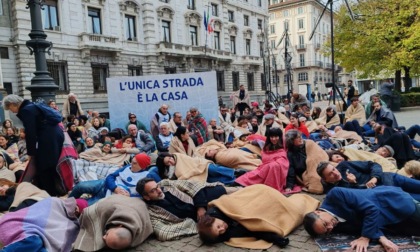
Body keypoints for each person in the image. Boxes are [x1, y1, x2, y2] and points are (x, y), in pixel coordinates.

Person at [197, 184, 319, 249]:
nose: (222, 229)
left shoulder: (219, 208)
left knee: (293, 207)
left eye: (218, 226)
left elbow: (235, 201)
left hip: (259, 193)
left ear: (213, 219)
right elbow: (253, 229)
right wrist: (275, 238)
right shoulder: (229, 231)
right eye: (220, 233)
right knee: (294, 213)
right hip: (264, 208)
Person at [303, 186, 420, 252]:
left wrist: (365, 237)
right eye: (327, 231)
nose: (330, 227)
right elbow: (362, 225)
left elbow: (371, 210)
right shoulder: (335, 227)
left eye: (325, 224)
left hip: (394, 203)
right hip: (389, 223)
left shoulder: (335, 194)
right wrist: (382, 239)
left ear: (317, 212)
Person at [3, 95, 66, 196]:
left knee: (44, 166)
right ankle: (51, 191)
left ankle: (50, 194)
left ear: (13, 104)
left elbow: (30, 133)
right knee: (49, 164)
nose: (12, 111)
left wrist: (31, 153)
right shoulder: (31, 106)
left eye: (10, 108)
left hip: (48, 137)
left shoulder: (26, 110)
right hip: (54, 134)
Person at [136, 178, 229, 241]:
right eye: (153, 191)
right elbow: (163, 232)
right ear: (147, 197)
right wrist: (193, 223)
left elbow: (191, 186)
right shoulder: (152, 211)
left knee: (223, 191)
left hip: (202, 198)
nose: (159, 190)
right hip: (204, 218)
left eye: (157, 187)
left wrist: (200, 207)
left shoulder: (166, 184)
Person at [0, 196, 83, 252]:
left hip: (43, 241)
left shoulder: (73, 225)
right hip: (24, 225)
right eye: (76, 207)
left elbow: (61, 239)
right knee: (34, 241)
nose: (75, 211)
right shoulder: (55, 202)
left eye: (78, 213)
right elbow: (37, 215)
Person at [69, 153, 156, 205]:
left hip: (109, 197)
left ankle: (68, 207)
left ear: (142, 166)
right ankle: (68, 201)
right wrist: (115, 188)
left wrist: (130, 196)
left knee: (84, 205)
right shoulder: (128, 167)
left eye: (134, 163)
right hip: (104, 185)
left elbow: (146, 195)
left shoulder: (148, 177)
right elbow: (110, 176)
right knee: (80, 186)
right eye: (132, 162)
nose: (131, 164)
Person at [74, 195, 153, 251]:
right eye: (107, 234)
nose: (103, 237)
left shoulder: (141, 233)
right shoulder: (108, 207)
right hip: (113, 199)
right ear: (119, 225)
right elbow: (90, 212)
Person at [317, 161, 420, 200]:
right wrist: (353, 184)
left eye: (333, 169)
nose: (336, 173)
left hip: (390, 178)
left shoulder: (344, 166)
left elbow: (374, 164)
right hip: (388, 193)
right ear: (325, 179)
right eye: (330, 174)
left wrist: (374, 178)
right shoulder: (334, 191)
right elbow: (359, 199)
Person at [235, 128, 294, 193]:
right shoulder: (267, 147)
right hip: (262, 171)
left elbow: (289, 168)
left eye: (276, 136)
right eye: (272, 137)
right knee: (242, 180)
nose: (274, 139)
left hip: (274, 177)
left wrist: (289, 186)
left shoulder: (285, 151)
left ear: (280, 137)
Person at [285, 130, 328, 194]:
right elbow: (291, 170)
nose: (300, 138)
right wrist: (289, 186)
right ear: (291, 141)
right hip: (307, 174)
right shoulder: (290, 154)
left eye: (300, 136)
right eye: (297, 137)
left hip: (322, 166)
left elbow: (320, 155)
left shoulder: (309, 144)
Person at [156, 152, 238, 184]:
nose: (171, 161)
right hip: (194, 177)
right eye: (168, 162)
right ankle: (236, 181)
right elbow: (179, 179)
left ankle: (236, 172)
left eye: (170, 158)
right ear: (165, 165)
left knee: (212, 169)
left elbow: (190, 162)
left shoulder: (177, 156)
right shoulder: (170, 174)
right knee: (214, 180)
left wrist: (186, 174)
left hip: (198, 164)